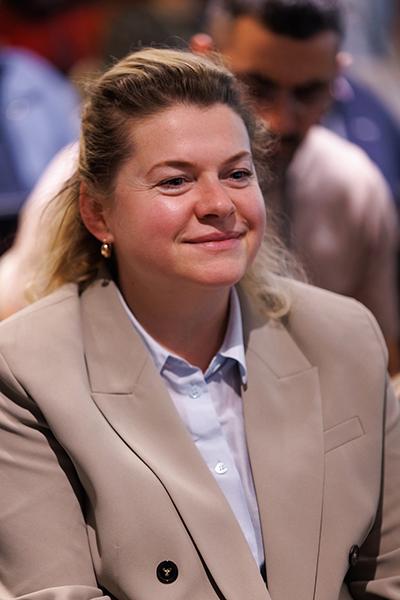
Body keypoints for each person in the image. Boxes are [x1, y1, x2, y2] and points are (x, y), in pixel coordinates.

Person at [0, 47, 399, 600]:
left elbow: (390, 576)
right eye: (175, 181)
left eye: (237, 173)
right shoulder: (25, 368)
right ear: (98, 213)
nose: (219, 204)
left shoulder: (345, 335)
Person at [193, 0, 400, 372]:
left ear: (337, 78)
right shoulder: (121, 174)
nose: (280, 122)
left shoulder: (354, 188)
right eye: (256, 88)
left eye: (308, 93)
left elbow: (379, 360)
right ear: (204, 59)